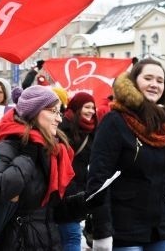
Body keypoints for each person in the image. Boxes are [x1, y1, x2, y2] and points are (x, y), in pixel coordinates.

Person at [87, 58, 165, 251]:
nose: (154, 84)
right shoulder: (115, 121)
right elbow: (98, 180)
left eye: (160, 80)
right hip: (123, 231)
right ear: (134, 82)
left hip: (160, 227)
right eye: (148, 78)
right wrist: (102, 232)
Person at [0, 84, 84, 249]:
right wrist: (27, 157)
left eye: (59, 112)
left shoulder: (53, 150)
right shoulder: (11, 145)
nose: (59, 118)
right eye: (53, 111)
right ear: (34, 112)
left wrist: (85, 203)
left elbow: (52, 211)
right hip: (17, 244)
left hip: (47, 242)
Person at [57, 91, 97, 251]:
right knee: (72, 235)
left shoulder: (93, 129)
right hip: (64, 192)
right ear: (77, 108)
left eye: (93, 107)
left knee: (68, 236)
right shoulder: (62, 129)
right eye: (87, 107)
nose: (91, 111)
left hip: (82, 192)